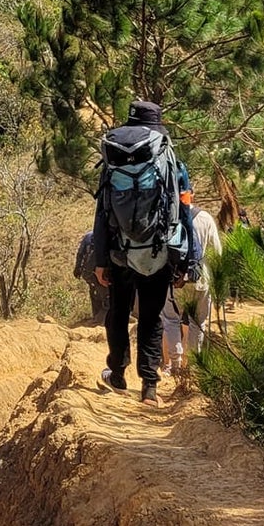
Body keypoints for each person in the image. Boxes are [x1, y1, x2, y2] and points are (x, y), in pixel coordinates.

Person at [92, 98, 193, 405]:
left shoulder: (113, 156)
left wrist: (100, 260)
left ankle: (118, 374)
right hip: (158, 252)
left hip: (120, 251)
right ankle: (149, 386)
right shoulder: (169, 158)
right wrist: (186, 261)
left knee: (119, 312)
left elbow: (101, 212)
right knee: (151, 317)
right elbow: (184, 211)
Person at [162, 181, 223, 383]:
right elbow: (217, 252)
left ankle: (175, 365)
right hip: (200, 279)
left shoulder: (165, 217)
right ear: (191, 195)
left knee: (171, 320)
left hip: (173, 279)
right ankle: (192, 366)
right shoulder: (204, 218)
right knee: (198, 322)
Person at [73, 226, 111, 325]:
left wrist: (77, 268)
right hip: (103, 273)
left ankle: (96, 318)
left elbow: (80, 253)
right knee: (108, 298)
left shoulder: (89, 235)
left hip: (88, 272)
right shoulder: (110, 236)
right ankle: (100, 321)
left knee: (95, 294)